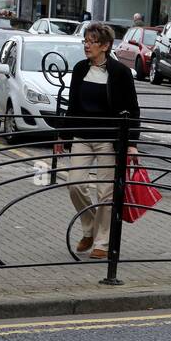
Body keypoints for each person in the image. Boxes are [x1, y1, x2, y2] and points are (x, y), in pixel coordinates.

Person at [54, 23, 141, 260]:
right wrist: (63, 134)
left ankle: (102, 241)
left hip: (108, 140)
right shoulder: (80, 69)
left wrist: (132, 142)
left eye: (92, 41)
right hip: (82, 136)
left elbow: (132, 109)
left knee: (106, 193)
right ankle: (89, 229)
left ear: (105, 46)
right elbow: (72, 106)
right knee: (75, 185)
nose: (87, 45)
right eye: (85, 41)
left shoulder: (120, 73)